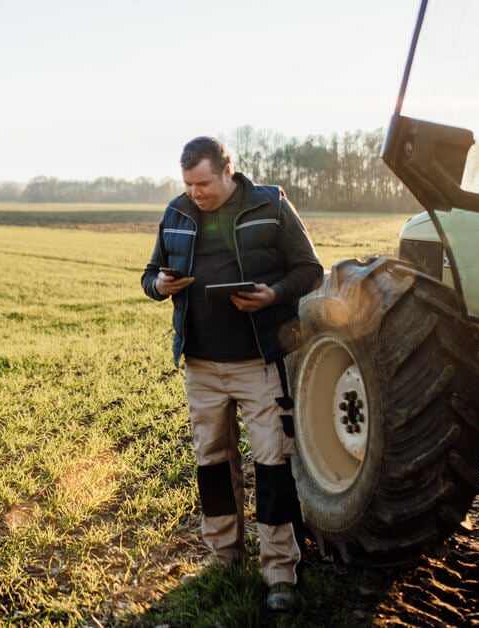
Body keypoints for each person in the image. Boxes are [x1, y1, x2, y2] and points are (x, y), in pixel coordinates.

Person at [141, 136, 323, 612]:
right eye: (188, 184)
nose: (196, 193)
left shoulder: (271, 205)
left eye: (203, 183)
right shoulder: (176, 213)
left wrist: (273, 294)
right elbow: (149, 276)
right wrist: (159, 285)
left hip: (259, 362)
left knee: (272, 464)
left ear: (228, 170)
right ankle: (223, 556)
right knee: (213, 465)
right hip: (200, 365)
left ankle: (280, 572)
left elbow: (310, 270)